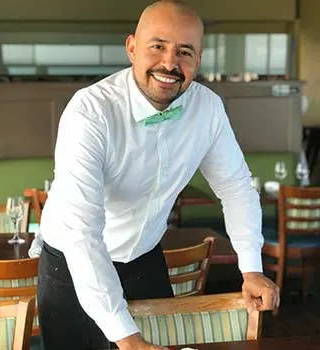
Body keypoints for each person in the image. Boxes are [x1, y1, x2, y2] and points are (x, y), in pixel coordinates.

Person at [37, 1, 280, 349]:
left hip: (144, 258)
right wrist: (128, 339)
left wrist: (252, 269)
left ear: (198, 59)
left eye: (185, 51)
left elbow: (236, 188)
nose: (170, 63)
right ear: (132, 47)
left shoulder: (207, 109)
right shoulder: (90, 112)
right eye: (158, 46)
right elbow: (82, 233)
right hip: (72, 264)